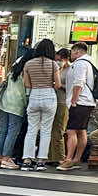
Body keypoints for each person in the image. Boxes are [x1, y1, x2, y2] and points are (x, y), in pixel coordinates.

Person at [61, 42, 98, 171]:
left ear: (77, 52)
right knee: (81, 131)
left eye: (72, 52)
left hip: (80, 102)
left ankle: (68, 159)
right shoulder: (89, 62)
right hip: (87, 102)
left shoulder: (80, 64)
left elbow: (79, 82)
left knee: (71, 131)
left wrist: (74, 100)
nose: (71, 55)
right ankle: (76, 159)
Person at [22, 39, 60, 171]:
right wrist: (49, 86)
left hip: (34, 96)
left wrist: (37, 86)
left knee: (31, 129)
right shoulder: (53, 64)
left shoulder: (28, 64)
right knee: (46, 130)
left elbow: (26, 84)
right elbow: (58, 84)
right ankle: (41, 161)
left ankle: (27, 159)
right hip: (49, 95)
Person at [0, 51, 28, 170]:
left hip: (4, 103)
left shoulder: (13, 71)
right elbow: (26, 91)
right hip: (16, 105)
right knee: (12, 132)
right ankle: (6, 158)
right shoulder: (25, 73)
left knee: (3, 130)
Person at [49, 48, 70, 165]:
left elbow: (72, 87)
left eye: (59, 59)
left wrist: (59, 85)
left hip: (62, 101)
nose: (57, 61)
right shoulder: (56, 68)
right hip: (52, 100)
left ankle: (59, 156)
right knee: (51, 129)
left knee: (59, 129)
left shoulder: (70, 70)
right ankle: (50, 156)